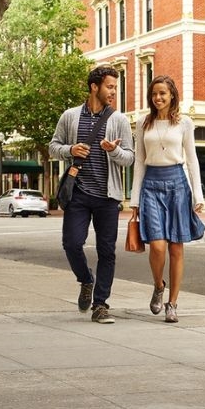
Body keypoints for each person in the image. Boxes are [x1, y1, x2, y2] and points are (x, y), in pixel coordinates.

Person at [49, 66, 135, 324]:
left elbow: (129, 158)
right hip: (79, 193)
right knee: (72, 243)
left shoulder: (118, 120)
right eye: (109, 87)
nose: (113, 92)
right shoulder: (70, 116)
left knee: (106, 251)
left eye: (115, 88)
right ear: (94, 87)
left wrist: (113, 151)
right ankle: (86, 280)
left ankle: (101, 304)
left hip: (108, 197)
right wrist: (71, 149)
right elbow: (53, 146)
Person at [130, 75, 205, 323]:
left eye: (162, 93)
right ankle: (158, 285)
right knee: (158, 245)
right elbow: (139, 161)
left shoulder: (184, 123)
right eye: (154, 94)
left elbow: (192, 158)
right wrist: (134, 200)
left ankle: (172, 303)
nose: (158, 98)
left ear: (172, 95)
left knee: (176, 248)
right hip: (151, 183)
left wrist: (198, 194)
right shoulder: (143, 123)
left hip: (178, 184)